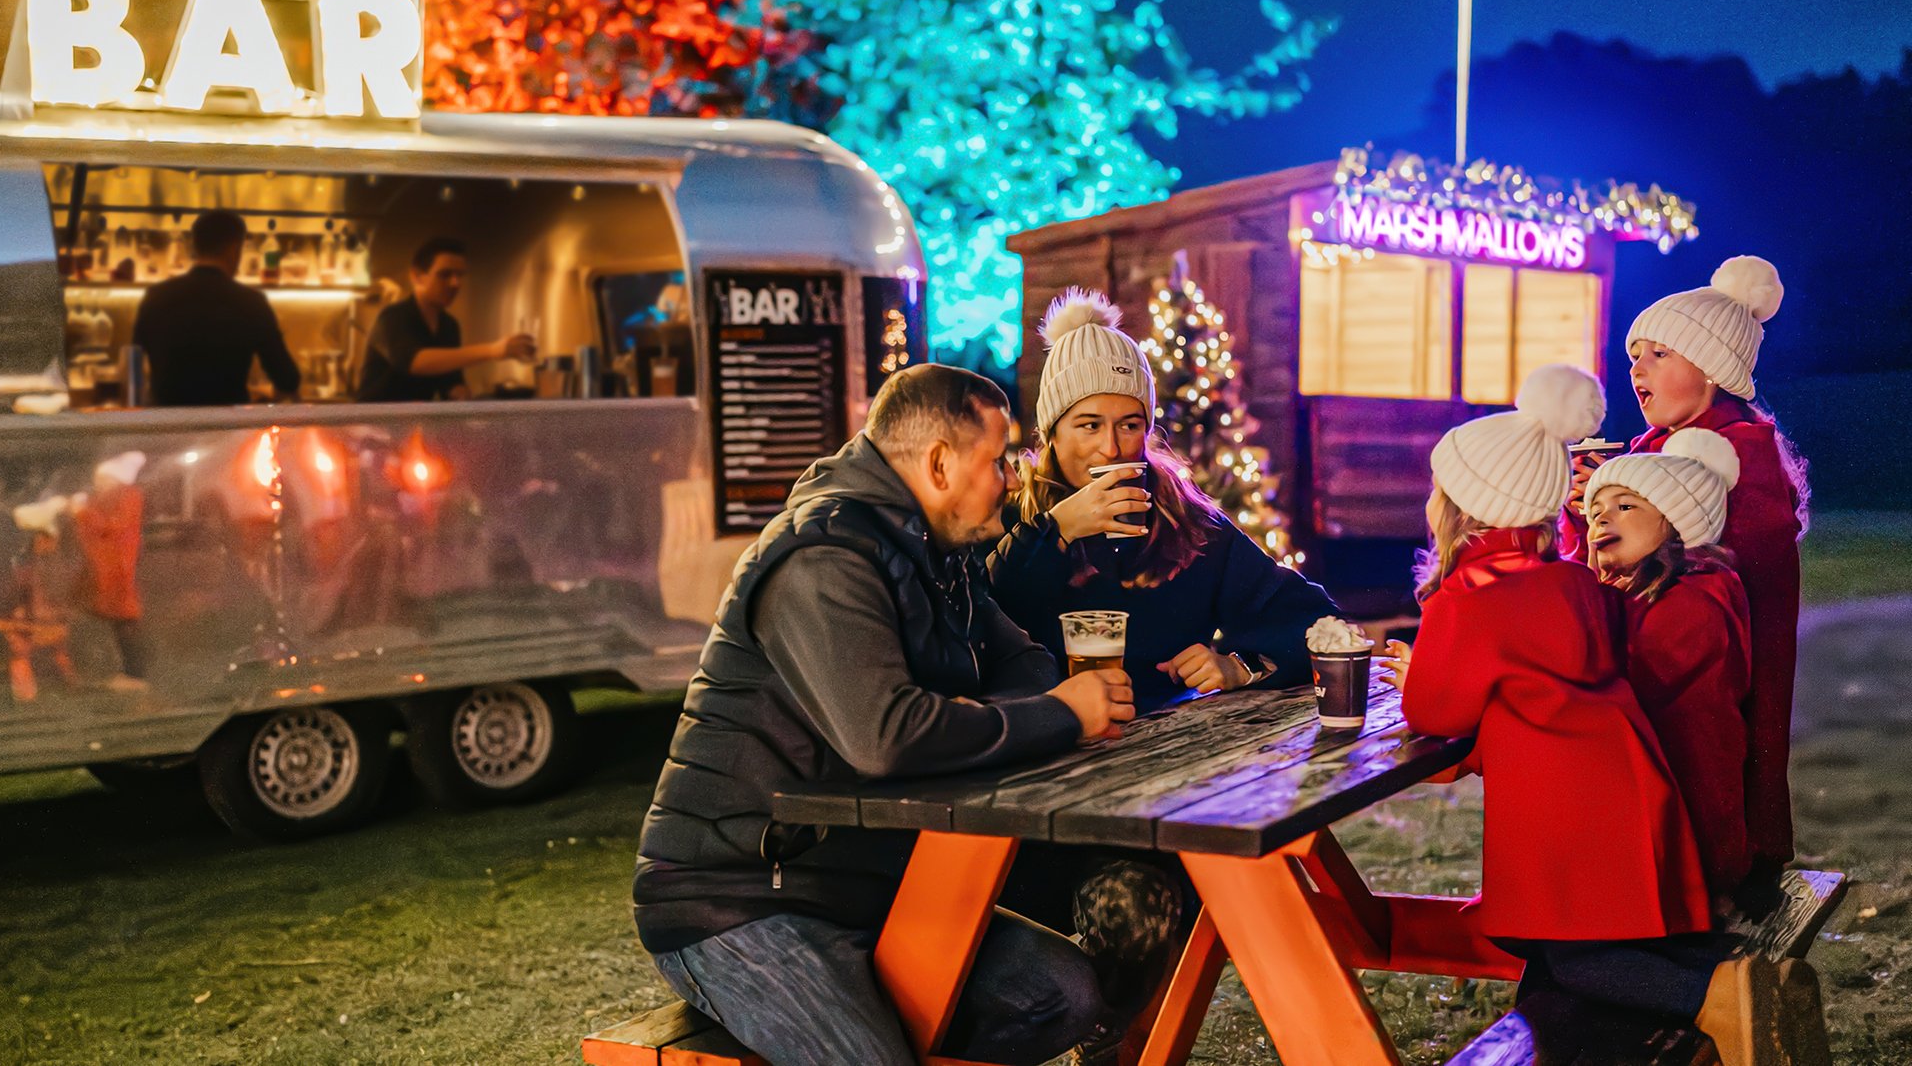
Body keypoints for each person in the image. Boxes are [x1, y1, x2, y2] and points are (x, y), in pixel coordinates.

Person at [633, 363, 1136, 1066]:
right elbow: (887, 736)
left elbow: (1027, 661)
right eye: (997, 459)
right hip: (740, 897)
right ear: (937, 463)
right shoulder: (822, 557)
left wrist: (969, 715)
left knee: (1063, 994)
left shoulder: (940, 550)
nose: (1013, 478)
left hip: (869, 883)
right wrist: (1056, 717)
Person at [1383, 364, 1827, 1063]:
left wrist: (1419, 673)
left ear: (1462, 508)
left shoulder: (1466, 599)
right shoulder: (1573, 581)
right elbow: (1539, 689)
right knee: (1557, 962)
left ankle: (1719, 996)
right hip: (1632, 795)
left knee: (1577, 960)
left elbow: (1434, 707)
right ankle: (1610, 1019)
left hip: (1568, 823)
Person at [1566, 255, 1807, 908]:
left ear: (1713, 368)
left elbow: (1728, 571)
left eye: (1658, 352)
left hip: (1705, 667)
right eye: (1634, 354)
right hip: (1651, 660)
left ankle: (1738, 861)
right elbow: (1600, 561)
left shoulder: (1743, 452)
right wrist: (1581, 508)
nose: (1636, 368)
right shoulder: (1651, 448)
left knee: (1711, 761)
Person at [987, 289, 1336, 713]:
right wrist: (1057, 530)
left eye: (1129, 424)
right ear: (1052, 434)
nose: (1111, 448)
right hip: (1038, 751)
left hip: (1169, 751)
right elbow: (978, 615)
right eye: (1089, 425)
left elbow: (1317, 625)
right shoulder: (1003, 512)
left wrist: (1239, 667)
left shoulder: (1186, 523)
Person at [1584, 431, 1754, 908]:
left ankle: (1722, 984)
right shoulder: (1637, 599)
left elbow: (1613, 678)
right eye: (1595, 510)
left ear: (1678, 525)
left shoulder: (1696, 604)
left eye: (1625, 506)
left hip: (1690, 840)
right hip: (1658, 832)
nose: (1600, 516)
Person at [132, 210, 300, 406]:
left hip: (166, 429)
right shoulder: (251, 302)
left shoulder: (155, 296)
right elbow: (288, 379)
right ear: (235, 249)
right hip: (227, 430)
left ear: (195, 246)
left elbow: (133, 367)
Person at [355, 236, 533, 402]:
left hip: (413, 429)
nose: (456, 283)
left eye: (459, 275)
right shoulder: (392, 317)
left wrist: (462, 393)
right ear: (417, 276)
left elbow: (450, 384)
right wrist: (493, 350)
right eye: (445, 274)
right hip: (373, 426)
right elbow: (413, 362)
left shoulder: (449, 326)